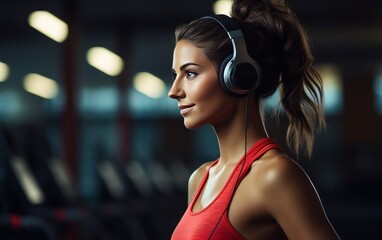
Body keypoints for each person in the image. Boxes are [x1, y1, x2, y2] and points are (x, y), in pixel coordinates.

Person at [168, 0, 340, 239]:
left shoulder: (274, 176)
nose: (174, 91)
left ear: (238, 75)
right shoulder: (199, 179)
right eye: (176, 75)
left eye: (190, 74)